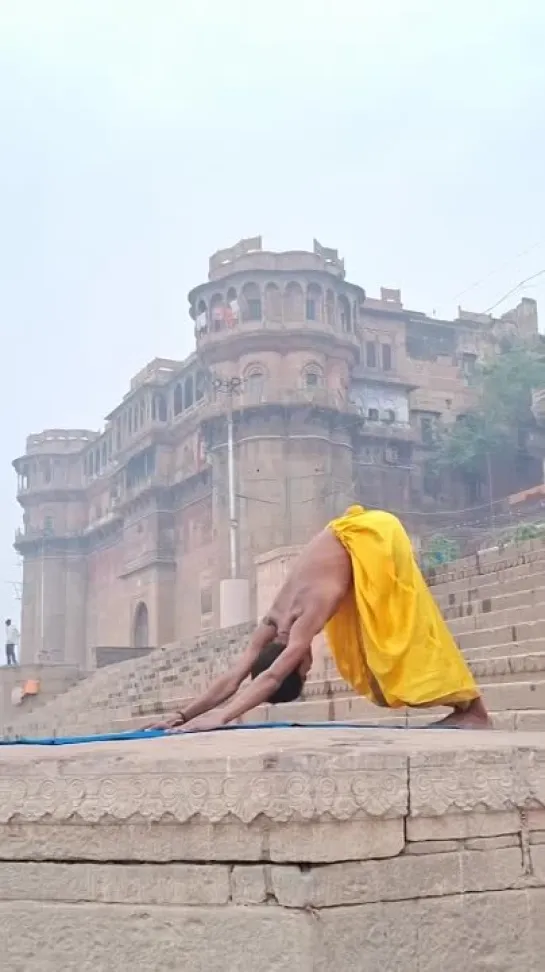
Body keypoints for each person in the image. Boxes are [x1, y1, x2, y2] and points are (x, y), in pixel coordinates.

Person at [150, 505, 490, 733]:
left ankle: (475, 712)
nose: (307, 663)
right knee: (370, 649)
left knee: (397, 638)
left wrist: (222, 716)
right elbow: (235, 676)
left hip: (375, 537)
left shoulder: (304, 619)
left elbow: (269, 677)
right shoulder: (271, 622)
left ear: (296, 664)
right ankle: (467, 708)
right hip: (352, 545)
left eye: (303, 668)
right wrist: (183, 716)